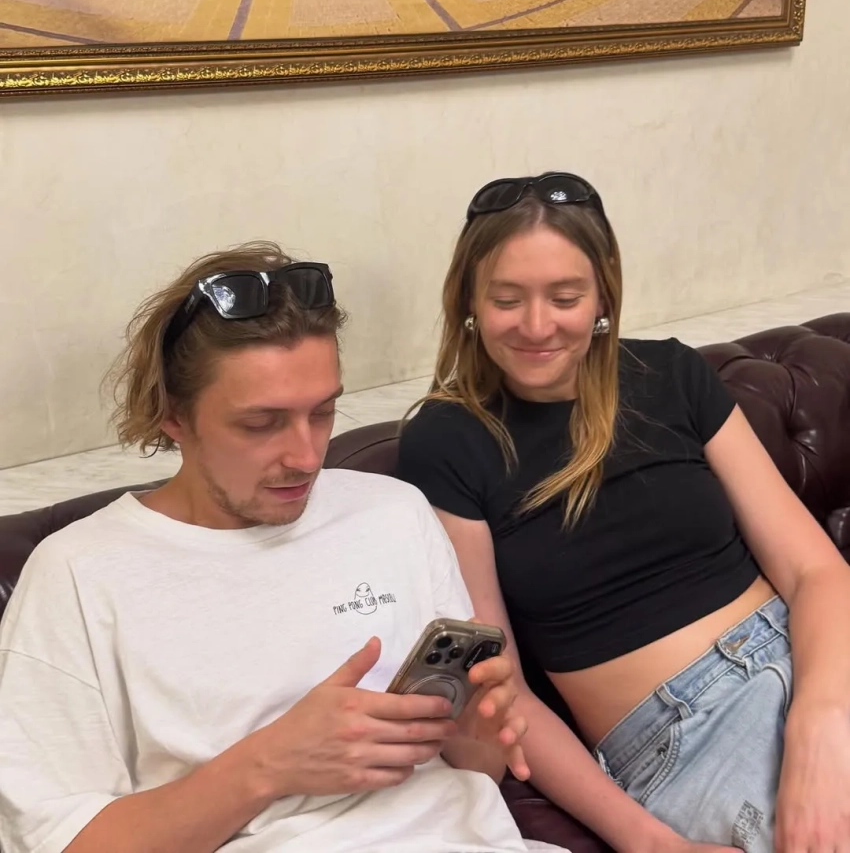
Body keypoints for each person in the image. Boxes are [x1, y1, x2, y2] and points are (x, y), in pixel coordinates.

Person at [0, 241, 565, 853]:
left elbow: (477, 773)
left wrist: (478, 730)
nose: (305, 456)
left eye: (322, 412)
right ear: (173, 416)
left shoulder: (394, 511)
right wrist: (269, 764)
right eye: (261, 423)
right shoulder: (81, 574)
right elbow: (58, 841)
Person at [396, 173, 850, 853]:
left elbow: (815, 570)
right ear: (469, 302)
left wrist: (821, 721)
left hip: (816, 658)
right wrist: (648, 842)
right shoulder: (447, 440)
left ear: (603, 296)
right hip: (684, 734)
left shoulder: (673, 375)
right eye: (507, 299)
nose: (537, 326)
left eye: (565, 297)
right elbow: (503, 691)